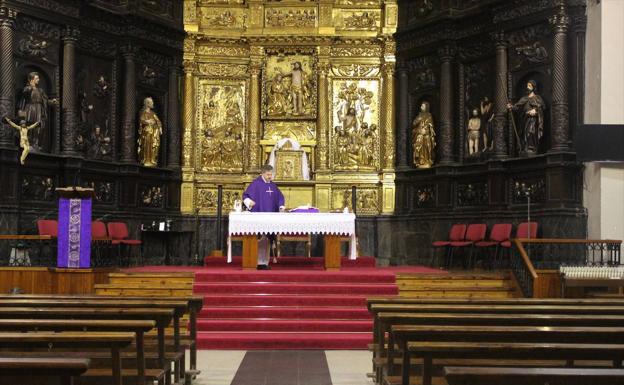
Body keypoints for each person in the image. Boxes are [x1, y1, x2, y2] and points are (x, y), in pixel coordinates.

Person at [242, 164, 285, 270]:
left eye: (271, 174)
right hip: (258, 215)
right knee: (260, 239)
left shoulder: (273, 186)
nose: (270, 177)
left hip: (270, 217)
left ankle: (264, 262)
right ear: (262, 173)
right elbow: (245, 196)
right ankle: (256, 261)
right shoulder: (256, 184)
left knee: (266, 240)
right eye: (268, 175)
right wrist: (249, 202)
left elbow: (280, 197)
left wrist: (281, 205)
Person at [18, 72, 57, 151]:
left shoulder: (40, 90)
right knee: (30, 125)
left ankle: (37, 144)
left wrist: (52, 101)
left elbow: (45, 100)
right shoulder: (27, 88)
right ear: (31, 80)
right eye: (36, 78)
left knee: (40, 127)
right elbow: (25, 94)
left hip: (39, 110)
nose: (38, 80)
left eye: (38, 78)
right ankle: (29, 143)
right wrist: (31, 87)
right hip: (30, 109)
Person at [507, 80, 545, 155]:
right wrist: (511, 107)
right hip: (525, 119)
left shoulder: (537, 98)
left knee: (530, 132)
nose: (527, 87)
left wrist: (536, 110)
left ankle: (532, 148)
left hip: (533, 120)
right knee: (525, 134)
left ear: (533, 88)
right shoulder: (524, 98)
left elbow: (542, 107)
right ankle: (525, 148)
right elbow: (517, 107)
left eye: (530, 86)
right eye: (527, 86)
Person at [137, 97, 162, 167]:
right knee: (146, 145)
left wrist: (160, 127)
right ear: (147, 104)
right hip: (146, 132)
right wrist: (148, 121)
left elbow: (158, 121)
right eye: (151, 102)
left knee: (153, 146)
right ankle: (145, 159)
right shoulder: (143, 112)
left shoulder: (153, 113)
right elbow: (141, 120)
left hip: (153, 132)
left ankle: (152, 160)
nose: (153, 103)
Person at [412, 101, 436, 168]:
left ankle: (428, 160)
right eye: (421, 106)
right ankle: (420, 161)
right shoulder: (419, 116)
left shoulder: (429, 116)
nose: (421, 107)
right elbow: (414, 124)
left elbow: (431, 126)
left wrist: (426, 130)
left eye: (422, 106)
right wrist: (419, 120)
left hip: (427, 135)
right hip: (419, 135)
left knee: (427, 147)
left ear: (426, 107)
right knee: (419, 148)